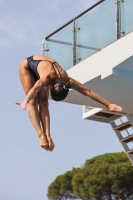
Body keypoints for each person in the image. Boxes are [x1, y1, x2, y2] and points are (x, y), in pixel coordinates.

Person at [16, 55, 122, 151]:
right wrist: (26, 100)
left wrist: (108, 104)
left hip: (44, 69)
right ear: (51, 86)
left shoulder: (68, 81)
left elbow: (88, 92)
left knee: (44, 101)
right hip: (28, 66)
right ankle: (40, 134)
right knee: (33, 101)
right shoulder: (47, 78)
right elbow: (34, 89)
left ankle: (48, 135)